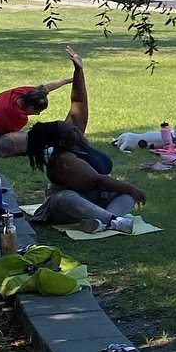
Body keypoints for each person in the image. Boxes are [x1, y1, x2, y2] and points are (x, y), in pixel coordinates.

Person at [24, 54, 146, 232]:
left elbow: (78, 102)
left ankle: (103, 222)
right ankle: (112, 220)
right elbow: (95, 181)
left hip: (94, 200)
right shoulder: (63, 160)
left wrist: (78, 71)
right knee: (65, 198)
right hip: (67, 207)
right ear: (63, 142)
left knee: (126, 194)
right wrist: (131, 188)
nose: (76, 129)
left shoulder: (75, 139)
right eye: (71, 130)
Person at [0, 48, 84, 158]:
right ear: (31, 107)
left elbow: (46, 88)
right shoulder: (17, 116)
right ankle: (48, 150)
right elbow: (14, 134)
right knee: (26, 138)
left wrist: (69, 80)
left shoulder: (23, 93)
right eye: (37, 112)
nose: (37, 115)